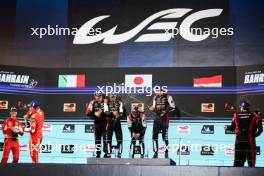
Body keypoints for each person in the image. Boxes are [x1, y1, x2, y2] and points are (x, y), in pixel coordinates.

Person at [225, 101, 263, 167]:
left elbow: (231, 128)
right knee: (251, 162)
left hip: (239, 140)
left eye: (241, 107)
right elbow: (260, 130)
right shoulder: (254, 116)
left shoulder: (236, 115)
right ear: (248, 108)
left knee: (238, 161)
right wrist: (254, 136)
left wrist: (226, 127)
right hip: (249, 140)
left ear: (242, 108)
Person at [149, 87, 175, 158]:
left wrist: (165, 111)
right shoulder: (155, 97)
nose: (157, 92)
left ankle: (166, 152)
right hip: (157, 119)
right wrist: (152, 108)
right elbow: (154, 106)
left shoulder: (168, 97)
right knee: (154, 136)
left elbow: (173, 107)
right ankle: (155, 152)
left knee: (165, 137)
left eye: (158, 91)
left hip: (164, 119)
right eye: (156, 91)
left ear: (162, 91)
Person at [86, 92, 108, 158]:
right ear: (95, 96)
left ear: (101, 96)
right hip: (97, 123)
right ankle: (98, 153)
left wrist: (104, 105)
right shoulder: (92, 102)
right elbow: (87, 112)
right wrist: (95, 113)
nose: (98, 97)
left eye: (100, 96)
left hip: (105, 123)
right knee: (97, 139)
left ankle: (106, 153)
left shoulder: (105, 102)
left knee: (105, 139)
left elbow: (109, 112)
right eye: (97, 96)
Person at [104, 94, 124, 158]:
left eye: (114, 97)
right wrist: (113, 113)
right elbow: (105, 112)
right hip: (110, 123)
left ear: (116, 97)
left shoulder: (120, 103)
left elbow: (122, 113)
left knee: (119, 139)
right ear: (109, 98)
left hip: (117, 123)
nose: (112, 98)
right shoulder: (106, 103)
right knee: (109, 139)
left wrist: (118, 114)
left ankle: (120, 153)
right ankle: (109, 153)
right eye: (111, 97)